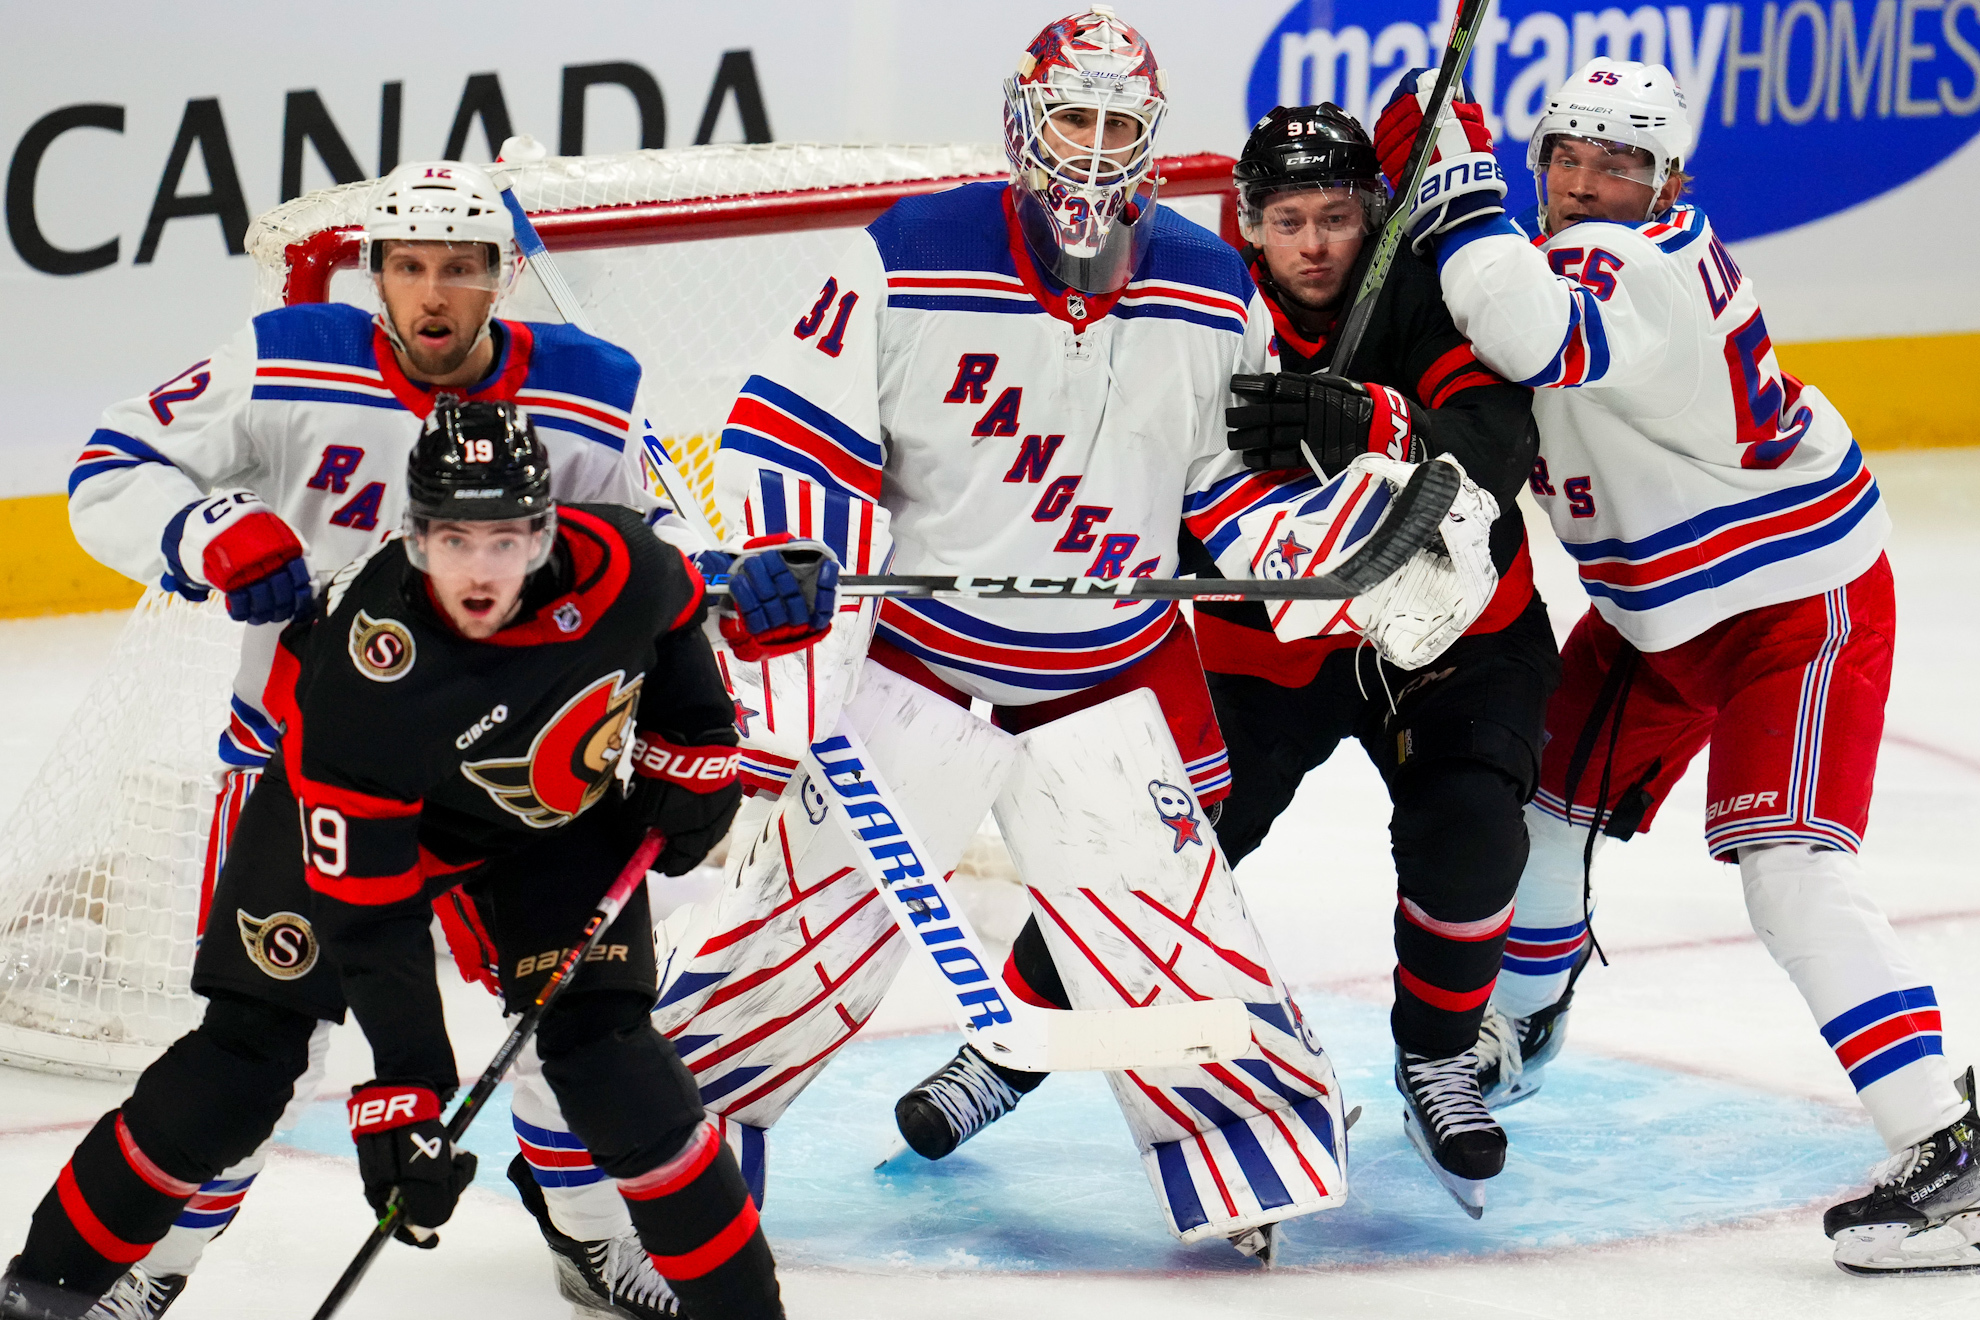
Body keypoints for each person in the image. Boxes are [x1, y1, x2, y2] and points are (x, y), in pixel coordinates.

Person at [609, 4, 1493, 1267]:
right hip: (918, 677)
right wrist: (798, 552)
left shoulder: (1205, 285)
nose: (1092, 150)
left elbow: (1219, 494)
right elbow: (793, 431)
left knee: (1173, 951)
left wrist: (1325, 547)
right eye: (1072, 118)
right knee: (797, 949)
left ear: (1152, 139)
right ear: (1024, 122)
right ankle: (658, 1170)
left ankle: (1241, 1157)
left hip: (1099, 689)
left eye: (1119, 124)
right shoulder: (906, 254)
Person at [1373, 57, 1979, 1271]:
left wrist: (1444, 189)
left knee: (1789, 871)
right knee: (1537, 801)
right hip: (1659, 617)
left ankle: (1948, 1149)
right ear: (1541, 161)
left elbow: (1529, 326)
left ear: (1671, 182)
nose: (1591, 185)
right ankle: (1519, 1023)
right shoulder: (1556, 253)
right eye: (1571, 158)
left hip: (1792, 603)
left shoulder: (1634, 267)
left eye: (1624, 166)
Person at [0, 402, 797, 1320]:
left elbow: (675, 627)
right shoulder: (366, 670)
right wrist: (409, 1086)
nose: (480, 570)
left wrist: (693, 745)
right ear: (414, 536)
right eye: (454, 539)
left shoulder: (622, 563)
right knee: (241, 1066)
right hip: (354, 833)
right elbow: (373, 917)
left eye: (505, 539)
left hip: (543, 821)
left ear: (546, 531)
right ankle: (42, 1298)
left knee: (613, 1062)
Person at [57, 158, 685, 1319]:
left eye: (459, 268)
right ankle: (149, 1270)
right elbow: (108, 467)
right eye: (407, 267)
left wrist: (724, 596)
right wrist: (209, 530)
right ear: (374, 273)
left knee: (567, 1016)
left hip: (520, 790)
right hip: (311, 785)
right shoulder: (284, 357)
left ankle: (593, 1235)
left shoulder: (594, 395)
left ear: (500, 278)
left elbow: (662, 562)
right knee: (260, 1042)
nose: (432, 295)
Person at [1202, 103, 1553, 1213]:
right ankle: (1017, 1046)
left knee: (1470, 828)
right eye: (1289, 219)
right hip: (1270, 644)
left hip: (1452, 639)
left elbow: (1499, 451)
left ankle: (1441, 1055)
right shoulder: (1201, 309)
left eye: (1341, 217)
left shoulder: (1428, 284)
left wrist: (1377, 421)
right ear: (1248, 224)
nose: (1314, 244)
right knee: (1164, 837)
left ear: (1378, 215)